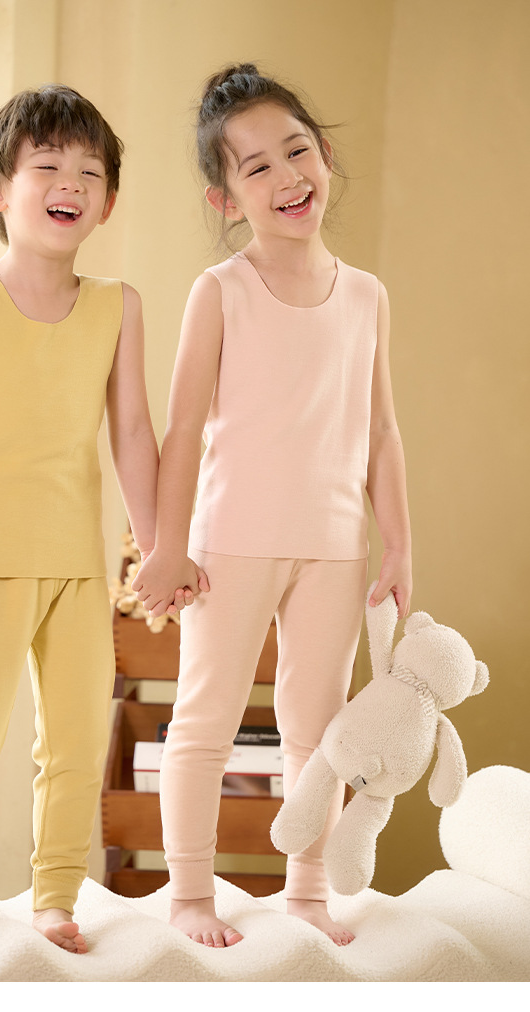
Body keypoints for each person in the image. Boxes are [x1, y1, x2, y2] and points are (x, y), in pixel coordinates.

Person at [0, 85, 202, 959]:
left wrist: (158, 547)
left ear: (108, 202)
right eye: (48, 166)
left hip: (76, 564)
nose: (70, 182)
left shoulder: (118, 304)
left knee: (74, 742)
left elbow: (134, 433)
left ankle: (55, 899)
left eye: (89, 172)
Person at [132, 64, 412, 948]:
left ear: (323, 155)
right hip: (232, 543)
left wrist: (398, 547)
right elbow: (183, 433)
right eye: (256, 167)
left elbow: (382, 431)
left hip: (334, 548)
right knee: (204, 722)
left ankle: (307, 893)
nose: (286, 177)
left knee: (319, 731)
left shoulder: (366, 295)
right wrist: (166, 546)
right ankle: (189, 894)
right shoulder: (220, 291)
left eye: (296, 152)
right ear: (226, 199)